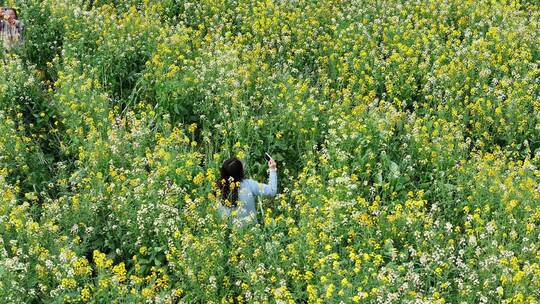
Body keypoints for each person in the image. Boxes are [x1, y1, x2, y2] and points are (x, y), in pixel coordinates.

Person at [216, 156, 277, 229]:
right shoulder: (249, 185)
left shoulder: (217, 189)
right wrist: (272, 169)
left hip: (228, 234)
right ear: (240, 172)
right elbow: (272, 191)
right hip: (252, 233)